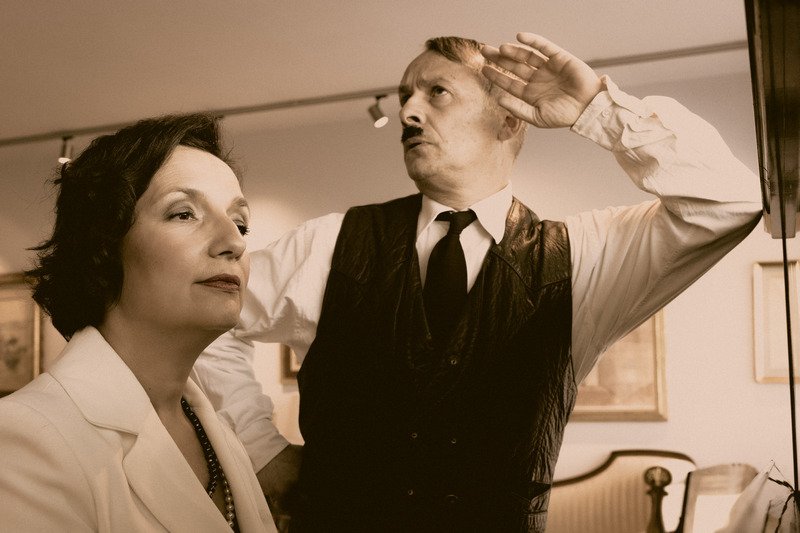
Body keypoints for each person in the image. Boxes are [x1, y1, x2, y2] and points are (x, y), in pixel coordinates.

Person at [193, 33, 763, 532]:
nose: (408, 112)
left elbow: (730, 203)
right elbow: (199, 315)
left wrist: (597, 108)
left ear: (509, 119)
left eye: (436, 92)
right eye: (404, 97)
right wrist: (260, 449)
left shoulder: (584, 257)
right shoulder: (331, 243)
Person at [0, 114, 277, 532]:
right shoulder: (26, 440)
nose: (234, 242)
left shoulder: (218, 434)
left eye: (241, 223)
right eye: (184, 214)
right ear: (104, 246)